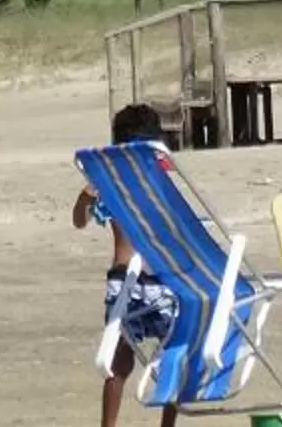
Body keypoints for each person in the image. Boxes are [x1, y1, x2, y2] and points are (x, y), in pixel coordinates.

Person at [71, 104, 179, 427]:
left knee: (130, 361)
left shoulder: (117, 180)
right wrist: (85, 198)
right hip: (146, 280)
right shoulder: (151, 178)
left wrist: (87, 199)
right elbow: (80, 220)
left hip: (138, 281)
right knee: (152, 358)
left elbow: (79, 223)